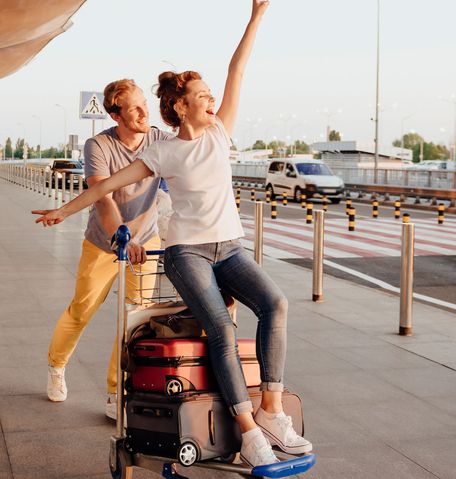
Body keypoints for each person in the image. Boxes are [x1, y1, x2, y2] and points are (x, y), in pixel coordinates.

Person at [33, 0, 312, 466]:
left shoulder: (220, 132)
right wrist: (63, 212)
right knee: (219, 327)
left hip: (229, 247)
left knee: (275, 304)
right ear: (181, 107)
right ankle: (247, 432)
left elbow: (236, 68)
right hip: (187, 253)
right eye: (201, 96)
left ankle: (272, 411)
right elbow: (106, 189)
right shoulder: (162, 153)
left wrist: (256, 17)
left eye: (209, 94)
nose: (211, 99)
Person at [44, 79, 172, 420]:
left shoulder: (159, 139)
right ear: (116, 115)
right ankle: (56, 365)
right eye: (134, 107)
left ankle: (117, 392)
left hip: (146, 243)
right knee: (82, 310)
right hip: (104, 243)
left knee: (135, 318)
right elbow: (102, 198)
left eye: (144, 103)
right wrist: (122, 238)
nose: (144, 112)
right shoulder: (98, 146)